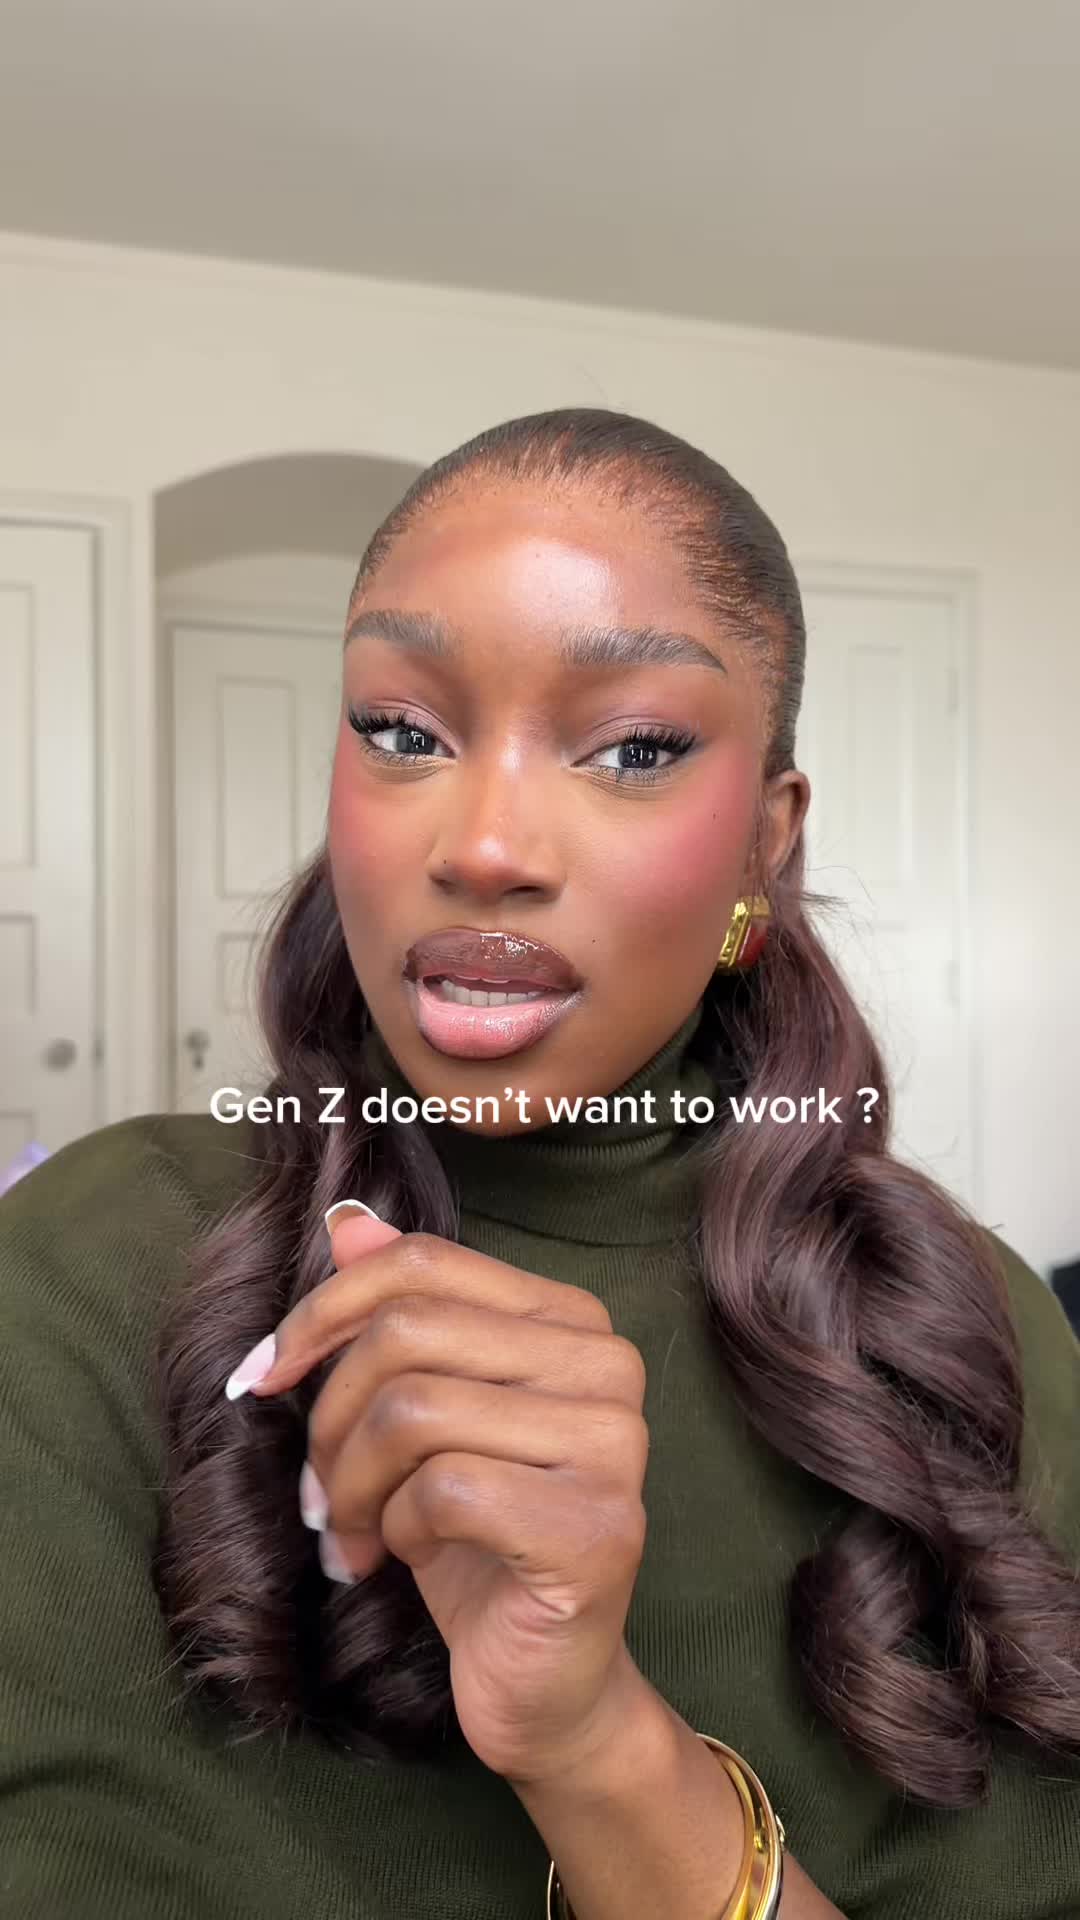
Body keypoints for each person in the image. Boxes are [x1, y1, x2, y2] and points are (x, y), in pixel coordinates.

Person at [2, 407, 1078, 1919]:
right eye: (404, 732)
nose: (487, 845)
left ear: (763, 846)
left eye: (634, 748)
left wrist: (598, 1746)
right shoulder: (89, 1270)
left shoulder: (965, 1329)